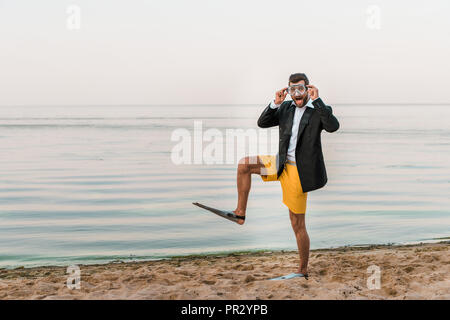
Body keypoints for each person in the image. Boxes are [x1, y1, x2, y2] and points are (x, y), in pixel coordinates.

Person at [232, 73, 340, 278]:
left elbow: (333, 126)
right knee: (244, 165)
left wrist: (318, 100)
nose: (297, 94)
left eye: (300, 89)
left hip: (299, 173)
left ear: (307, 89)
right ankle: (240, 212)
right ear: (289, 91)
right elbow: (262, 123)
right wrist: (275, 103)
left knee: (297, 223)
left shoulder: (319, 110)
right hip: (279, 163)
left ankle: (302, 269)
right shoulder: (286, 108)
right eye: (293, 90)